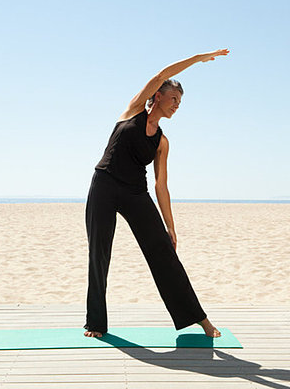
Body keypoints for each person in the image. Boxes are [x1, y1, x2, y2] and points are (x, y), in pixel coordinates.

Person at [84, 49, 229, 338]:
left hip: (136, 193)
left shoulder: (162, 142)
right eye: (173, 99)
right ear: (158, 96)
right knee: (99, 253)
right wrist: (199, 59)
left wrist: (170, 226)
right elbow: (162, 74)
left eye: (180, 102)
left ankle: (199, 318)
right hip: (105, 184)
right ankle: (96, 323)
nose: (177, 105)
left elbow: (161, 186)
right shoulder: (134, 109)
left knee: (163, 252)